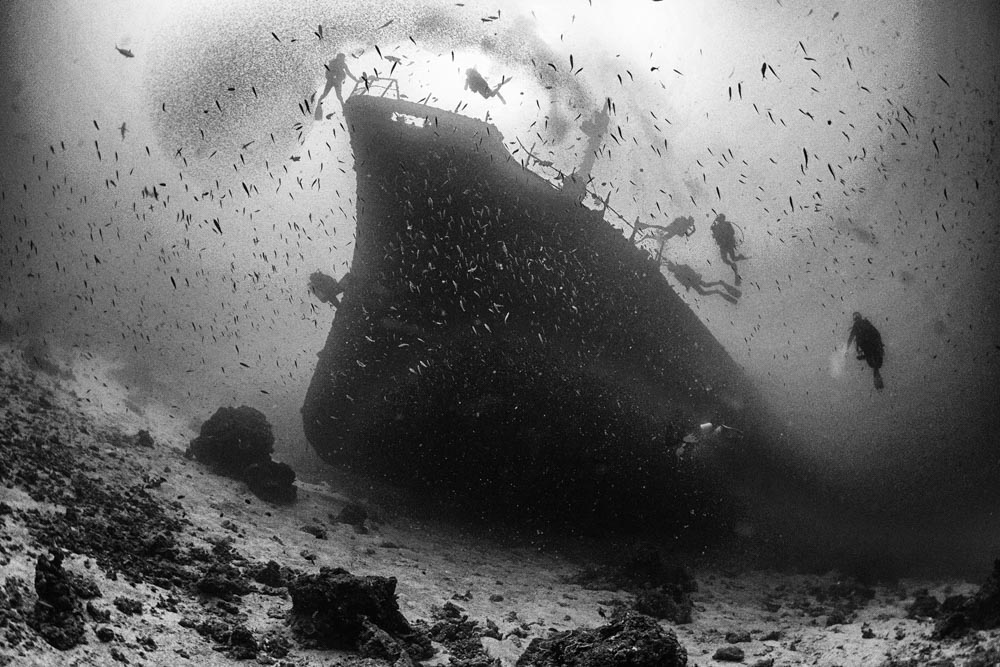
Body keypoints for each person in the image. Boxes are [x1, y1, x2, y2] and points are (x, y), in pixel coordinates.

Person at [847, 311, 885, 390]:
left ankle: (877, 381)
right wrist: (880, 344)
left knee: (874, 364)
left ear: (854, 319)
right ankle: (878, 381)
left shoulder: (856, 325)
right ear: (860, 316)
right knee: (876, 363)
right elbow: (877, 333)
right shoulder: (866, 322)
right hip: (873, 344)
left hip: (866, 347)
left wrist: (847, 348)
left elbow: (851, 338)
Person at [316, 53, 357, 118]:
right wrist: (331, 77)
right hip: (331, 81)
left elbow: (348, 73)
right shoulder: (332, 63)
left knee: (339, 96)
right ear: (338, 57)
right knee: (325, 94)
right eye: (341, 58)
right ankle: (318, 104)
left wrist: (356, 80)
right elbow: (327, 72)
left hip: (337, 81)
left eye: (343, 58)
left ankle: (344, 109)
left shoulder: (343, 64)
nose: (342, 59)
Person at [710, 213, 747, 285]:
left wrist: (725, 235)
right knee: (725, 260)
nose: (719, 220)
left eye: (720, 218)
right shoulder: (716, 226)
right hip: (722, 245)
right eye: (718, 219)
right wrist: (714, 226)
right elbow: (713, 232)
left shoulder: (727, 224)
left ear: (722, 219)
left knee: (733, 258)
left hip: (728, 244)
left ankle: (738, 260)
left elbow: (732, 232)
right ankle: (735, 264)